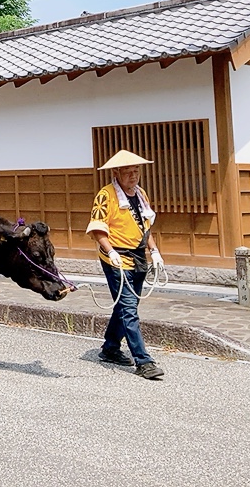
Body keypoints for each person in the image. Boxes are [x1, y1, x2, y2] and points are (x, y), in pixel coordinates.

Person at [86, 149, 166, 380]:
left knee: (125, 307)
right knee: (128, 309)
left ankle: (110, 348)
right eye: (128, 172)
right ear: (117, 173)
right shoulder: (106, 195)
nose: (133, 176)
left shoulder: (140, 194)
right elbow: (98, 229)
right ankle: (143, 361)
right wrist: (111, 252)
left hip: (138, 256)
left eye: (136, 171)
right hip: (116, 258)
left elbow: (145, 226)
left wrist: (155, 251)